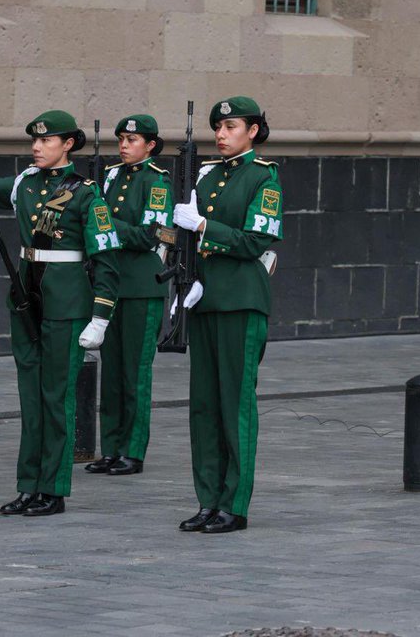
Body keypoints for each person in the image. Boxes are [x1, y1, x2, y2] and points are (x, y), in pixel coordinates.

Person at [0, 110, 122, 516]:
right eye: (34, 140)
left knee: (56, 398)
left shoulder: (85, 193)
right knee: (31, 399)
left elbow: (106, 258)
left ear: (68, 145)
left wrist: (100, 316)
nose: (37, 147)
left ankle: (53, 488)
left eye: (47, 141)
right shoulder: (25, 183)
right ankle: (28, 485)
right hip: (26, 299)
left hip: (66, 303)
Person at [172, 97, 282, 534]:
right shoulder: (206, 175)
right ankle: (208, 500)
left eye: (231, 126)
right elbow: (183, 238)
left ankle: (233, 505)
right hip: (204, 299)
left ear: (253, 131)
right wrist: (185, 276)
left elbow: (256, 240)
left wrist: (203, 226)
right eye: (217, 127)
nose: (221, 134)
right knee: (204, 406)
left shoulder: (263, 178)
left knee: (235, 405)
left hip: (241, 300)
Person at [86, 115, 173, 477]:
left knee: (135, 372)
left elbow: (150, 235)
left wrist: (104, 220)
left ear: (150, 145)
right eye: (121, 139)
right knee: (111, 372)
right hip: (111, 284)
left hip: (141, 286)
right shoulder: (109, 176)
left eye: (132, 140)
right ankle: (110, 449)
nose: (124, 145)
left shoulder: (158, 182)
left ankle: (132, 451)